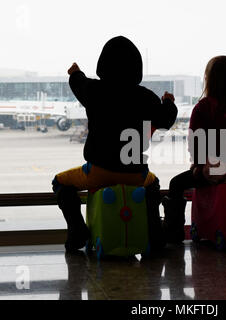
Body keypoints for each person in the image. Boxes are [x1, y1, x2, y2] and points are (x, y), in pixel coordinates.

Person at [52, 36, 177, 252]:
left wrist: (74, 72)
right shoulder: (145, 97)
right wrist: (168, 102)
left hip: (98, 172)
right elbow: (165, 120)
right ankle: (155, 235)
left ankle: (77, 230)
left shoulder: (94, 90)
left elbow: (78, 83)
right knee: (153, 184)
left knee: (60, 182)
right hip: (135, 174)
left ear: (103, 65)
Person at [162, 55, 226, 243]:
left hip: (215, 171)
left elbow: (196, 144)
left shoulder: (204, 108)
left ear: (209, 80)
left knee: (176, 184)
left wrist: (198, 167)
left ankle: (172, 232)